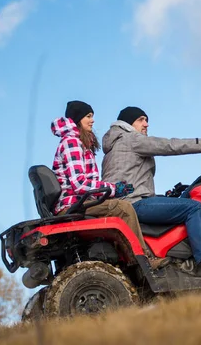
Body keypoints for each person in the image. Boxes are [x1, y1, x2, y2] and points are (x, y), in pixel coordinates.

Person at [102, 106, 201, 277]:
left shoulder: (113, 148)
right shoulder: (131, 139)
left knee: (185, 198)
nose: (146, 124)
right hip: (135, 204)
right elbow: (171, 145)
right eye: (141, 119)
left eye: (147, 120)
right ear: (127, 123)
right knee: (194, 208)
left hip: (126, 203)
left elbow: (132, 181)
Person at [51, 100, 169, 270]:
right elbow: (79, 183)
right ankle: (144, 260)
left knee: (118, 205)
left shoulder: (81, 143)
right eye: (88, 116)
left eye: (92, 116)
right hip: (72, 203)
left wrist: (113, 190)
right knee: (124, 209)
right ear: (77, 119)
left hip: (79, 201)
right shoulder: (72, 143)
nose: (92, 120)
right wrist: (112, 190)